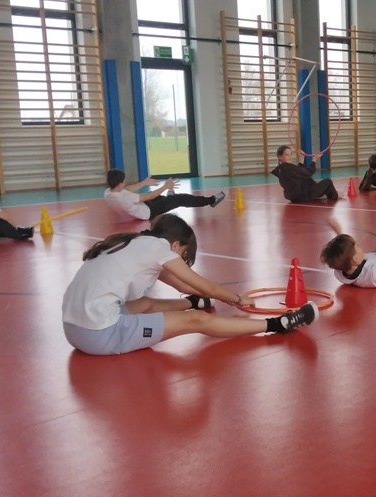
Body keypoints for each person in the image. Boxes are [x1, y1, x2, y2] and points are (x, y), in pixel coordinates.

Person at [61, 213, 317, 355]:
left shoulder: (136, 243)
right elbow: (203, 284)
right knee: (196, 320)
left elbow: (183, 286)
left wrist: (200, 297)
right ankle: (279, 324)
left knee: (146, 303)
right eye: (183, 253)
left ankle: (194, 304)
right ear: (175, 245)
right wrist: (238, 299)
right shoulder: (159, 249)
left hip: (74, 329)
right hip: (100, 334)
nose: (181, 258)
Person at [104, 169, 224, 221]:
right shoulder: (124, 198)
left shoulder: (108, 192)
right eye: (124, 181)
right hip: (148, 212)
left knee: (161, 197)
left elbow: (127, 189)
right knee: (180, 199)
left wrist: (144, 182)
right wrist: (166, 186)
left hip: (141, 207)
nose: (125, 182)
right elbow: (149, 197)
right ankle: (212, 200)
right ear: (119, 184)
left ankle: (170, 197)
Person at [270, 145, 339, 202]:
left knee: (307, 179)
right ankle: (334, 196)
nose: (290, 157)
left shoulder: (281, 169)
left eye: (291, 154)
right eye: (287, 155)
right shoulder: (288, 168)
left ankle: (324, 193)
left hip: (294, 197)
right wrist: (314, 159)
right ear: (280, 157)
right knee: (328, 182)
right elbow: (308, 172)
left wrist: (301, 158)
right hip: (303, 196)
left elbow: (299, 174)